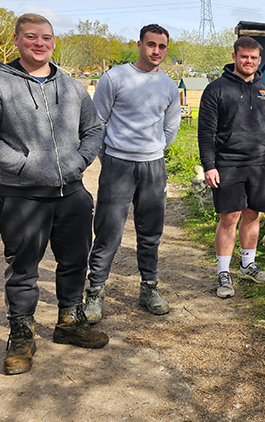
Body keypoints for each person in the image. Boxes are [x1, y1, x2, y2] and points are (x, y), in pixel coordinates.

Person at [0, 13, 108, 375]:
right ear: (17, 41)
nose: (40, 43)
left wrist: (79, 162)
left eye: (46, 38)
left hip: (72, 192)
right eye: (31, 37)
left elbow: (94, 128)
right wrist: (28, 166)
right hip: (22, 195)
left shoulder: (74, 87)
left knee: (75, 260)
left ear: (54, 42)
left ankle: (69, 320)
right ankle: (21, 332)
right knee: (24, 267)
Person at [83, 24, 181, 323]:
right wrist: (111, 156)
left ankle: (149, 288)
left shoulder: (168, 86)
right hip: (118, 166)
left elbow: (171, 126)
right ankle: (96, 291)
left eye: (162, 47)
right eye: (151, 44)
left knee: (150, 232)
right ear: (139, 44)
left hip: (153, 167)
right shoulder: (114, 78)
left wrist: (154, 150)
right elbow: (96, 123)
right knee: (108, 230)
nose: (156, 51)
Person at [198, 36, 265, 299]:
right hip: (228, 164)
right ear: (235, 57)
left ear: (259, 60)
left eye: (253, 57)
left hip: (260, 165)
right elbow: (206, 133)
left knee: (252, 215)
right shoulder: (216, 89)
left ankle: (247, 265)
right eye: (244, 56)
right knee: (230, 218)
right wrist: (209, 166)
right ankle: (223, 272)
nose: (248, 61)